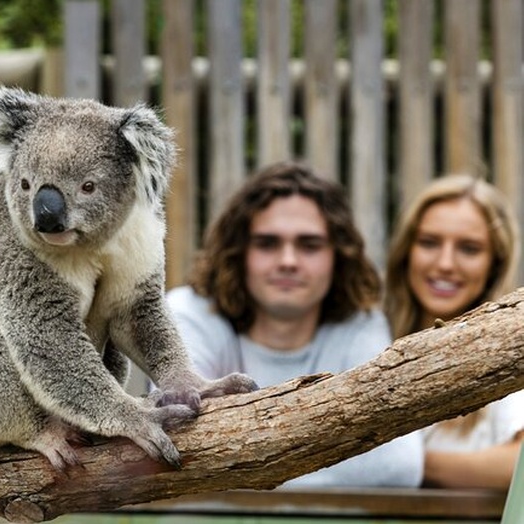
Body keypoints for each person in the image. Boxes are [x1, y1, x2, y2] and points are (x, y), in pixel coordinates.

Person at [167, 161, 423, 488]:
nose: (288, 261)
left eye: (309, 245)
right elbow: (183, 444)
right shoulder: (191, 313)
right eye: (268, 243)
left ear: (337, 255)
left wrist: (240, 470)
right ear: (239, 251)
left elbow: (397, 466)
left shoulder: (359, 326)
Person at [385, 173, 523, 489]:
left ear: (495, 263)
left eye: (469, 248)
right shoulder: (370, 337)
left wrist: (399, 461)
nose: (446, 263)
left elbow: (519, 464)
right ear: (407, 251)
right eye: (429, 242)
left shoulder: (510, 351)